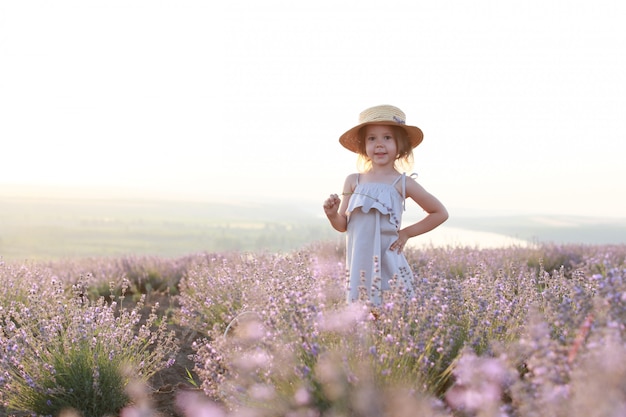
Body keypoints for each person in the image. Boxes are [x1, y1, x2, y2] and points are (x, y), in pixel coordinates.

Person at [323, 104, 448, 305]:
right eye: (372, 138)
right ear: (364, 145)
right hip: (359, 265)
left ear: (401, 145)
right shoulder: (354, 181)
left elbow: (439, 212)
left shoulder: (402, 183)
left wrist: (406, 233)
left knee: (392, 312)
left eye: (387, 138)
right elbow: (343, 225)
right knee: (361, 317)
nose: (379, 144)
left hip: (388, 261)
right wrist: (331, 214)